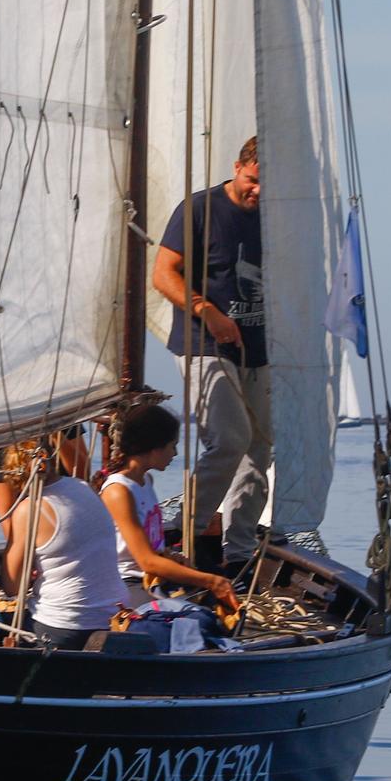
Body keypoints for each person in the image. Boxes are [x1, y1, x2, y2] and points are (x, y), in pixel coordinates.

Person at [151, 133, 268, 566]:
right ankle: (187, 537)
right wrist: (208, 311)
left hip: (257, 347)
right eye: (253, 181)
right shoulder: (200, 209)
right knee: (231, 437)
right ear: (238, 168)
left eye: (266, 186)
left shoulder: (277, 214)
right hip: (203, 343)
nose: (258, 192)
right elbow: (163, 274)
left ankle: (240, 552)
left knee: (260, 449)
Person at [101, 402, 241, 612]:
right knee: (192, 618)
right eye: (172, 445)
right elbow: (146, 561)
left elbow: (152, 550)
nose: (175, 453)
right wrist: (211, 581)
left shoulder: (146, 481)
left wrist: (171, 556)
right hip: (130, 583)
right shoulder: (118, 492)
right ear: (155, 447)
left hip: (156, 578)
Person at [2, 427, 127, 649]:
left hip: (64, 625)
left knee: (3, 628)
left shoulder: (29, 508)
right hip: (113, 615)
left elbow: (12, 585)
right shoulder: (83, 487)